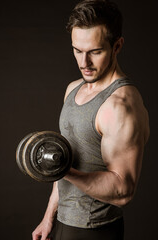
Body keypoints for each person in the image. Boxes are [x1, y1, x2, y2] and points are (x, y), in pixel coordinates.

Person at [32, 0, 150, 239]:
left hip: (96, 229)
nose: (84, 63)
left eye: (95, 52)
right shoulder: (73, 89)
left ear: (117, 46)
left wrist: (62, 170)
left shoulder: (121, 106)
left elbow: (123, 190)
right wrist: (48, 218)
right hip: (63, 223)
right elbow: (66, 156)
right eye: (77, 50)